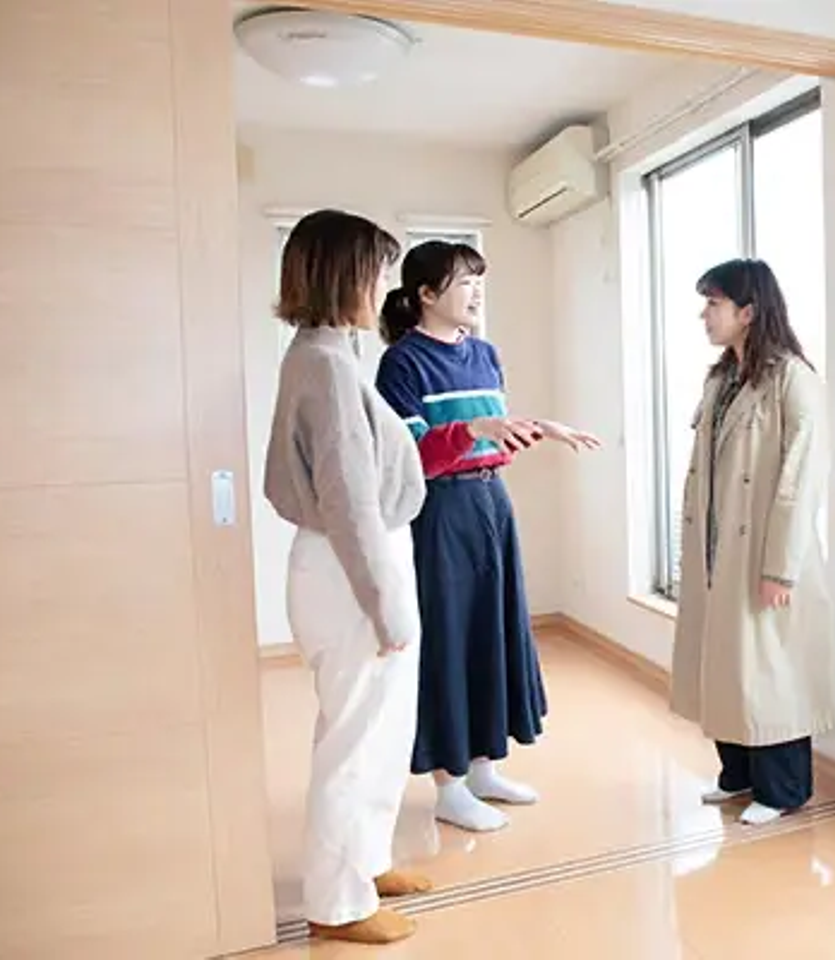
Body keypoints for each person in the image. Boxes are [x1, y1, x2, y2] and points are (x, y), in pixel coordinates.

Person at [375, 240, 600, 834]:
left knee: (492, 631)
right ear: (426, 294)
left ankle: (482, 771)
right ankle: (448, 786)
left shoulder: (485, 354)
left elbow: (490, 436)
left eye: (479, 281)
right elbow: (413, 457)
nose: (476, 293)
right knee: (449, 638)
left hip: (491, 503)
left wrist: (538, 428)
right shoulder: (402, 363)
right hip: (440, 512)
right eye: (464, 282)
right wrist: (474, 427)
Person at [263, 209, 433, 946]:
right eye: (375, 272)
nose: (383, 287)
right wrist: (386, 603)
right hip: (351, 568)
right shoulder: (327, 367)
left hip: (349, 563)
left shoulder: (322, 353)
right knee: (354, 739)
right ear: (342, 276)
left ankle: (366, 862)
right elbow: (350, 501)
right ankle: (337, 904)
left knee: (380, 730)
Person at [669, 258, 835, 827]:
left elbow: (801, 479)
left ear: (748, 311)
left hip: (766, 552)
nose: (704, 315)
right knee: (726, 665)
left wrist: (780, 567)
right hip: (718, 548)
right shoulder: (721, 379)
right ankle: (738, 774)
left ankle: (784, 788)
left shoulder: (792, 379)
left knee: (770, 672)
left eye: (713, 303)